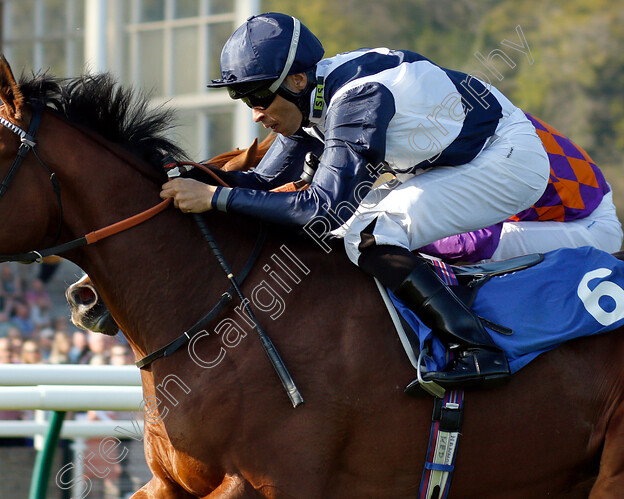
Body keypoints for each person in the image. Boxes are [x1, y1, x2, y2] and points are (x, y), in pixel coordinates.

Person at [160, 13, 576, 390]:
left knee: (369, 235)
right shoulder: (310, 96)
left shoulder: (358, 98)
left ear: (297, 81)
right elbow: (260, 181)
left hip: (505, 160)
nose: (254, 113)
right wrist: (183, 173)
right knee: (355, 230)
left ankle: (478, 350)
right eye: (244, 99)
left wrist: (214, 197)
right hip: (447, 158)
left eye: (258, 98)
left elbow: (317, 210)